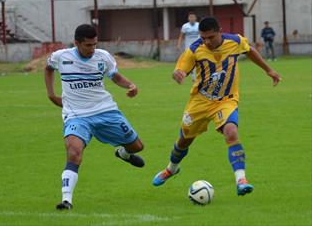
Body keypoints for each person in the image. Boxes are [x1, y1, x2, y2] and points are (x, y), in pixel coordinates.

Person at [152, 17, 281, 196]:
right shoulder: (195, 49)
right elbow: (181, 68)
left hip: (226, 100)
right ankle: (171, 169)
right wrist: (178, 74)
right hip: (200, 101)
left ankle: (241, 180)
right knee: (184, 141)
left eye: (211, 37)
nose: (207, 41)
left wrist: (269, 70)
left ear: (220, 31)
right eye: (204, 37)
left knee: (231, 132)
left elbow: (249, 51)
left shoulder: (234, 41)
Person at [44, 24, 145, 210]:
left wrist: (131, 85)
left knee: (137, 146)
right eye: (88, 45)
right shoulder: (61, 57)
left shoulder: (103, 57)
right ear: (76, 43)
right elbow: (48, 68)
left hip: (105, 111)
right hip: (76, 116)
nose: (92, 49)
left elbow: (115, 76)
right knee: (74, 152)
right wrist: (51, 94)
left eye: (95, 44)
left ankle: (123, 153)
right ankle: (67, 200)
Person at [176, 12, 200, 82]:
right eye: (190, 17)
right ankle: (193, 77)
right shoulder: (185, 26)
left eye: (193, 17)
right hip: (189, 47)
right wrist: (178, 44)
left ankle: (196, 76)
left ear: (195, 18)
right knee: (190, 61)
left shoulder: (199, 25)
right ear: (188, 18)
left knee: (198, 61)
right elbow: (181, 36)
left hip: (198, 46)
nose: (192, 19)